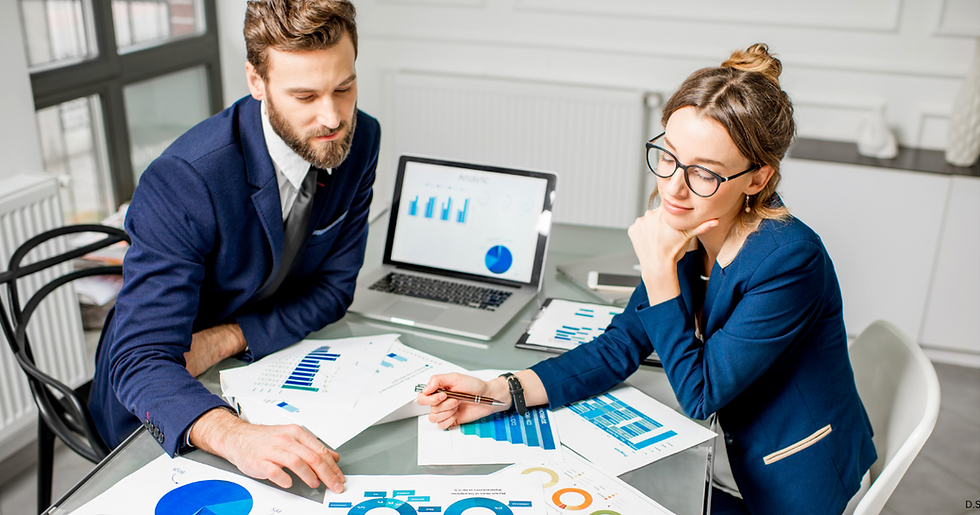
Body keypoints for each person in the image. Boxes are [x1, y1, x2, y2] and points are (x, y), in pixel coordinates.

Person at [417, 44, 876, 515]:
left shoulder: (790, 261)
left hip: (793, 482)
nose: (673, 188)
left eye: (704, 173)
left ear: (758, 179)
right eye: (669, 157)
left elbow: (700, 393)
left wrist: (658, 271)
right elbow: (619, 347)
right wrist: (499, 392)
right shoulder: (692, 224)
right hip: (718, 463)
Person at [89, 0, 378, 494]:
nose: (332, 117)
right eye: (305, 95)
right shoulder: (185, 179)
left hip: (263, 366)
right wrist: (233, 434)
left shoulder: (358, 139)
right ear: (256, 81)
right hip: (167, 400)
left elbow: (334, 291)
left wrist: (228, 338)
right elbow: (139, 359)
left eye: (344, 88)